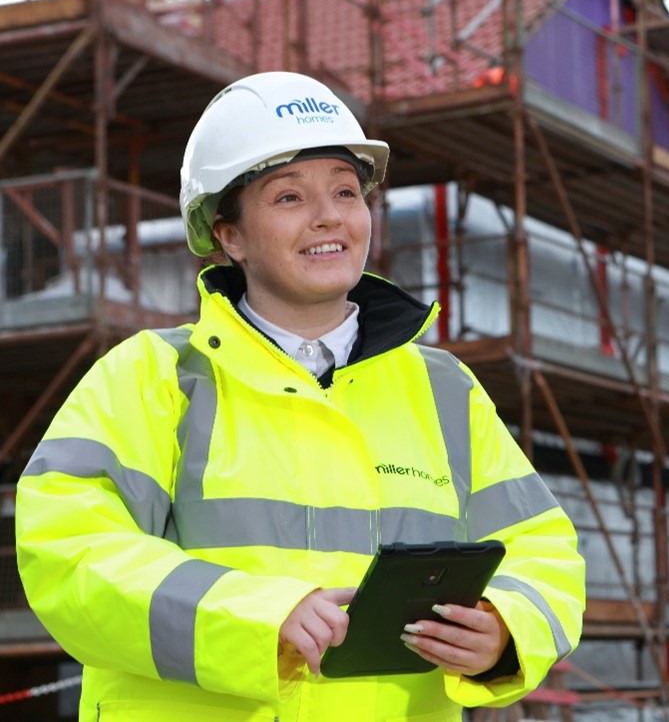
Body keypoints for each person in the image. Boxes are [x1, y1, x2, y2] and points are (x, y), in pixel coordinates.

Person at [15, 70, 585, 721]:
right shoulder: (151, 377)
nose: (329, 216)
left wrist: (504, 625)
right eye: (288, 196)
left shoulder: (444, 390)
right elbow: (69, 553)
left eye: (346, 191)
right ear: (228, 235)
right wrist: (259, 616)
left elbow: (543, 550)